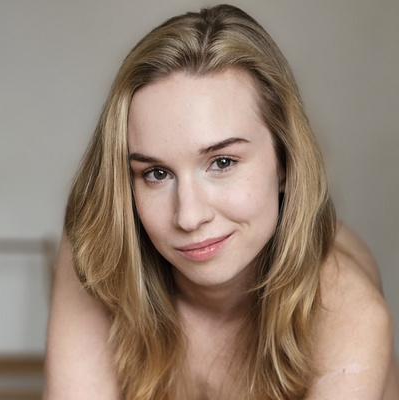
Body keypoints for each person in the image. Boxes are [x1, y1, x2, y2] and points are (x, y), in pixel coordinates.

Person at [43, 4, 399, 400]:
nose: (189, 216)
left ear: (285, 161)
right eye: (156, 173)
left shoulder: (350, 313)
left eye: (223, 162)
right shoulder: (99, 247)